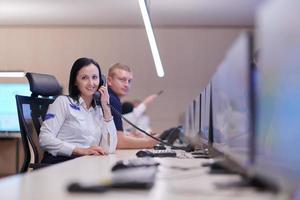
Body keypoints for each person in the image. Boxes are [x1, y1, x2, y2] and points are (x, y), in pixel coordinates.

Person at [39, 57, 117, 164]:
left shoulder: (98, 110)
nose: (91, 83)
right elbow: (45, 139)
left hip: (85, 164)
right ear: (75, 81)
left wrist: (106, 108)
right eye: (84, 78)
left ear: (101, 82)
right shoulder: (63, 102)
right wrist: (80, 150)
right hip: (61, 163)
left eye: (95, 77)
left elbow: (109, 149)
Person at [107, 63, 158, 149]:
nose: (127, 84)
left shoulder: (112, 98)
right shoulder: (111, 99)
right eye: (122, 80)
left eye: (129, 81)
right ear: (109, 81)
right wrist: (149, 142)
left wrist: (129, 136)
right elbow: (119, 142)